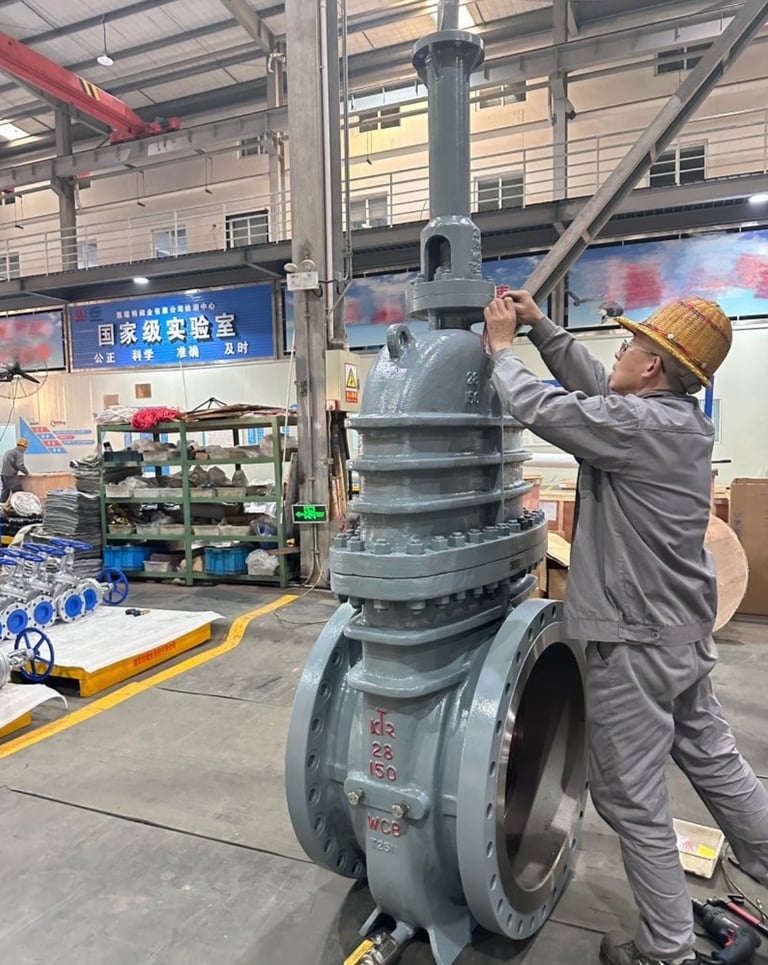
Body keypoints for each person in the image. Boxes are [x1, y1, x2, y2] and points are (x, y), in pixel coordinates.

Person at [483, 291, 768, 965]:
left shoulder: (636, 427)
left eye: (630, 347)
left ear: (652, 370)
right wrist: (544, 328)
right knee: (712, 754)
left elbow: (550, 410)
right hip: (680, 631)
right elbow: (592, 388)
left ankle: (666, 950)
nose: (620, 352)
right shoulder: (676, 421)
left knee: (629, 796)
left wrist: (500, 349)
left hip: (633, 639)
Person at [1, 437, 30, 504]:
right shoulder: (19, 453)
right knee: (18, 493)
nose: (25, 449)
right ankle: (20, 508)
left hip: (4, 474)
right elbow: (20, 465)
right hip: (11, 476)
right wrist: (26, 473)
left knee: (5, 491)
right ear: (23, 447)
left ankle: (1, 504)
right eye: (25, 448)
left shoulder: (8, 452)